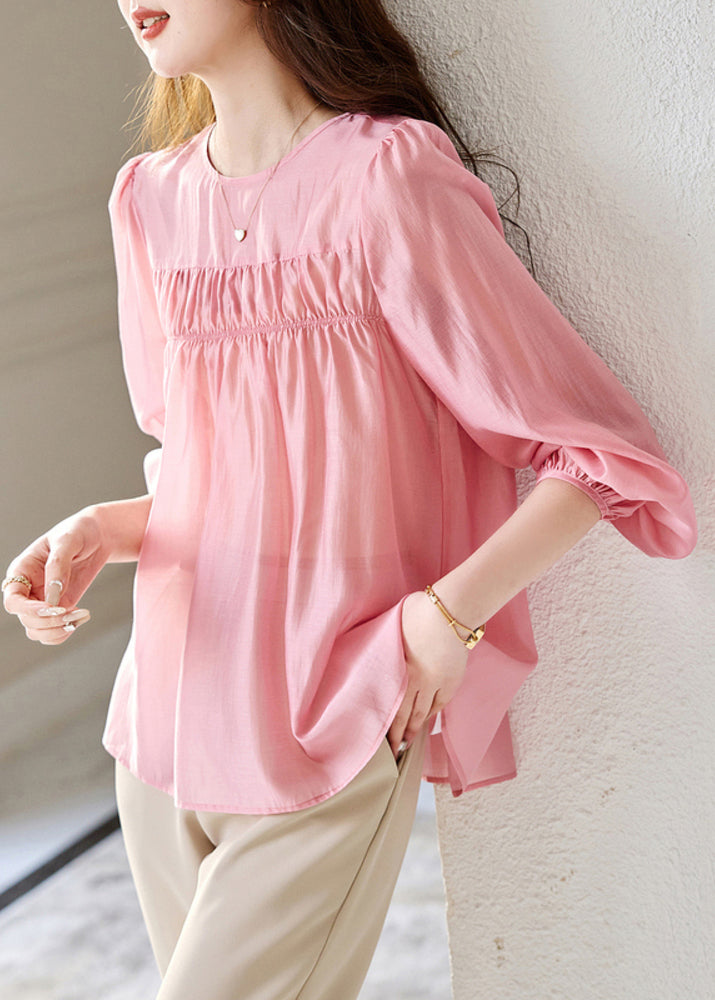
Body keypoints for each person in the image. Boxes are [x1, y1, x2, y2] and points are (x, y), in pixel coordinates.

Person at [2, 1, 698, 997]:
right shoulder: (149, 200)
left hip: (327, 717)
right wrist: (103, 529)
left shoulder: (385, 178)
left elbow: (600, 454)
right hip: (158, 720)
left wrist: (446, 617)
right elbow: (215, 474)